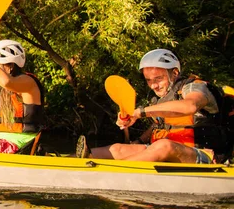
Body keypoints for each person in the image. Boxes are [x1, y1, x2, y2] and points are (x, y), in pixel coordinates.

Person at [78, 48, 229, 164]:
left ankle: (109, 172)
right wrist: (139, 141)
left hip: (206, 156)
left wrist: (141, 112)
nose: (154, 85)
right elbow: (159, 126)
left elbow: (190, 106)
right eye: (149, 80)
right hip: (165, 151)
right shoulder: (159, 98)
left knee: (164, 146)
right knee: (118, 148)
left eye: (158, 78)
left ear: (175, 73)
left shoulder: (195, 87)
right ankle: (76, 161)